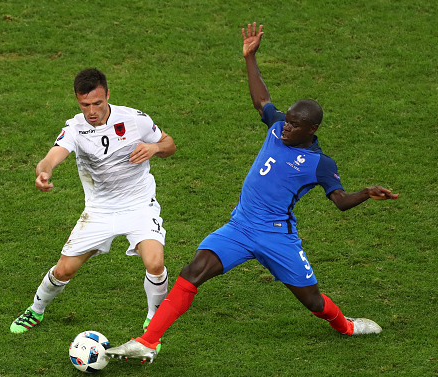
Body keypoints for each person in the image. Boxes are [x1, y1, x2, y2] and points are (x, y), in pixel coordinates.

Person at [106, 23, 399, 363]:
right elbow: (262, 101)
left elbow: (340, 202)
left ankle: (346, 327)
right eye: (286, 120)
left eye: (294, 124)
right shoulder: (277, 128)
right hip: (240, 228)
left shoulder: (319, 163)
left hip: (277, 238)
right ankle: (148, 340)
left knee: (313, 301)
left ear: (312, 129)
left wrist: (365, 192)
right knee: (192, 272)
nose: (285, 126)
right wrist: (250, 57)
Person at [10, 68, 176, 342]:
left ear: (108, 95)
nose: (91, 111)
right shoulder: (75, 127)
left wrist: (155, 148)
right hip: (100, 210)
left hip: (139, 205)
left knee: (155, 263)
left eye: (97, 103)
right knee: (64, 270)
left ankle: (154, 324)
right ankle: (36, 310)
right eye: (84, 104)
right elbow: (51, 157)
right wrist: (44, 172)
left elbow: (169, 143)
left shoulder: (135, 120)